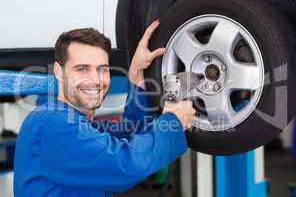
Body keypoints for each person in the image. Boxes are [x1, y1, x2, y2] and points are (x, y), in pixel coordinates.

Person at [13, 20, 196, 197]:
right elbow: (126, 165)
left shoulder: (77, 123)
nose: (95, 79)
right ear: (59, 72)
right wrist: (174, 120)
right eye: (82, 69)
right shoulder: (52, 124)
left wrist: (136, 75)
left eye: (102, 69)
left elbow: (132, 132)